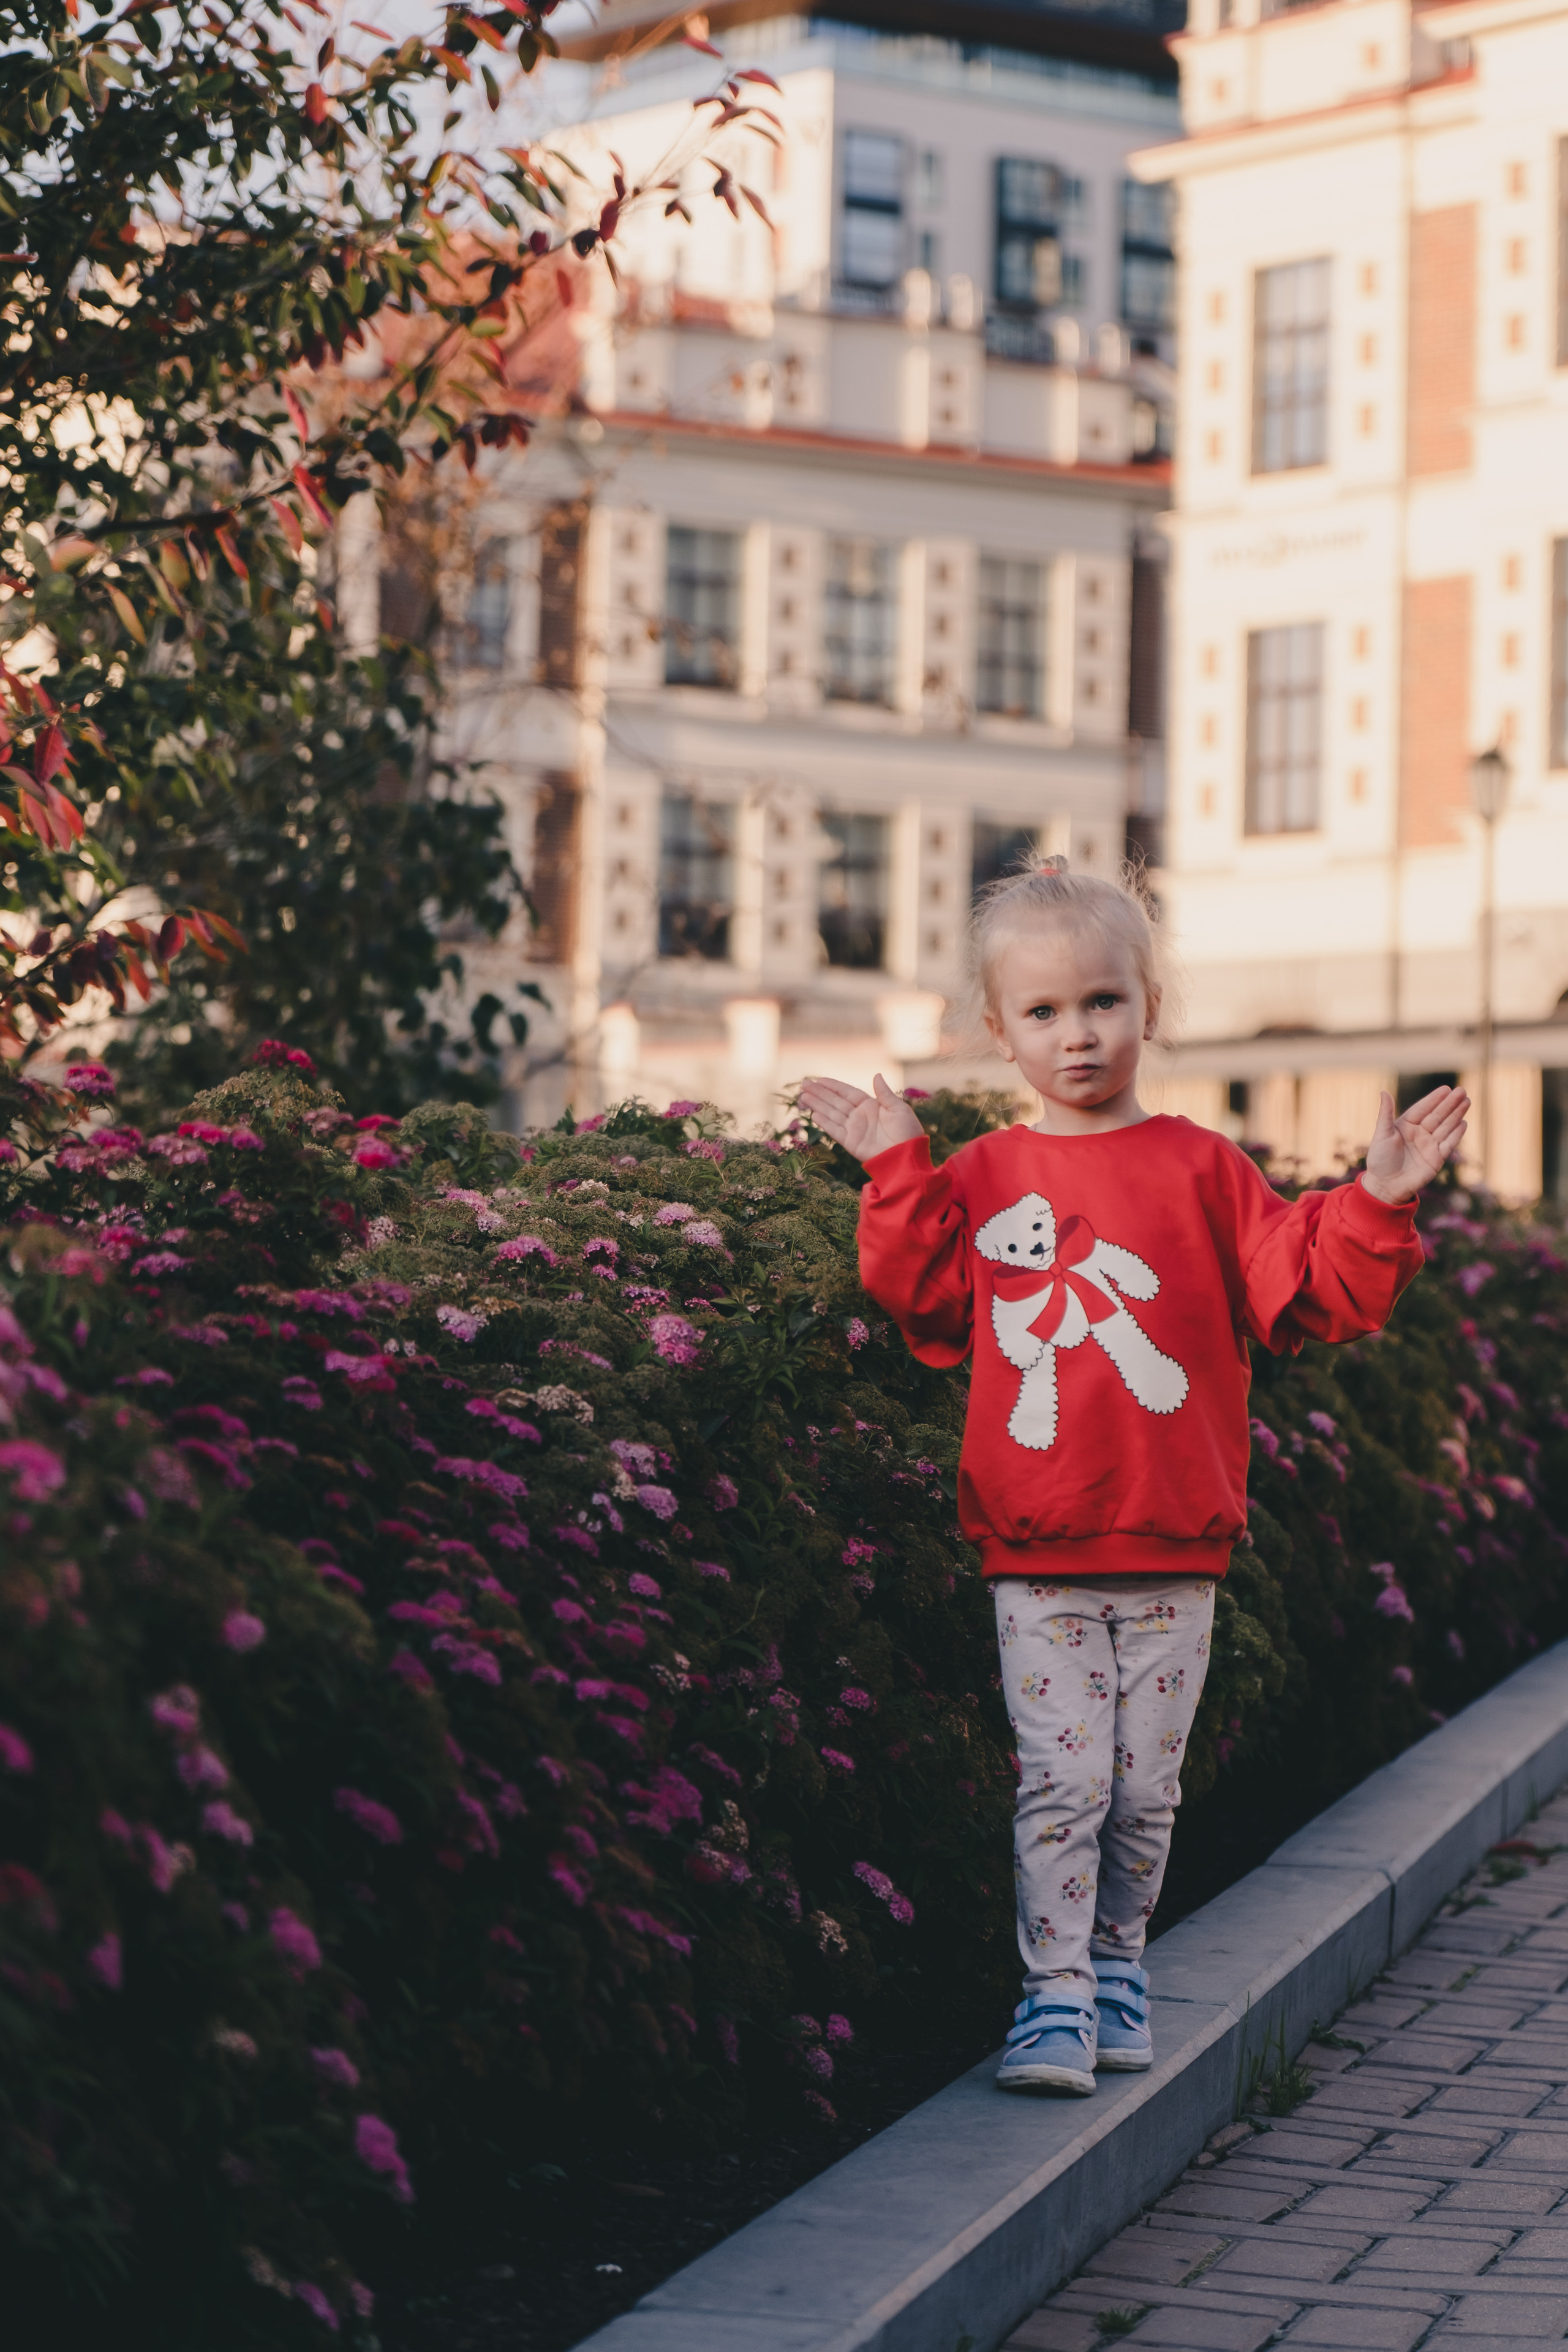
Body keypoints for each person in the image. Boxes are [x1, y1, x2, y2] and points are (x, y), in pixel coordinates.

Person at [798, 859, 1468, 2097]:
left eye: (1101, 1001)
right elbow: (921, 1297)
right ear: (996, 1029)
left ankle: (1115, 1966)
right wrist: (896, 1168)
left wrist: (1374, 1199)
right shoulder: (985, 1175)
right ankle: (1049, 1995)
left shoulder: (1202, 1169)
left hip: (1174, 1545)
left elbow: (1304, 1284)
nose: (1076, 1033)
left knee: (1141, 1792)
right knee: (1061, 1781)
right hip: (1036, 1549)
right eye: (1043, 1012)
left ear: (1147, 1006)